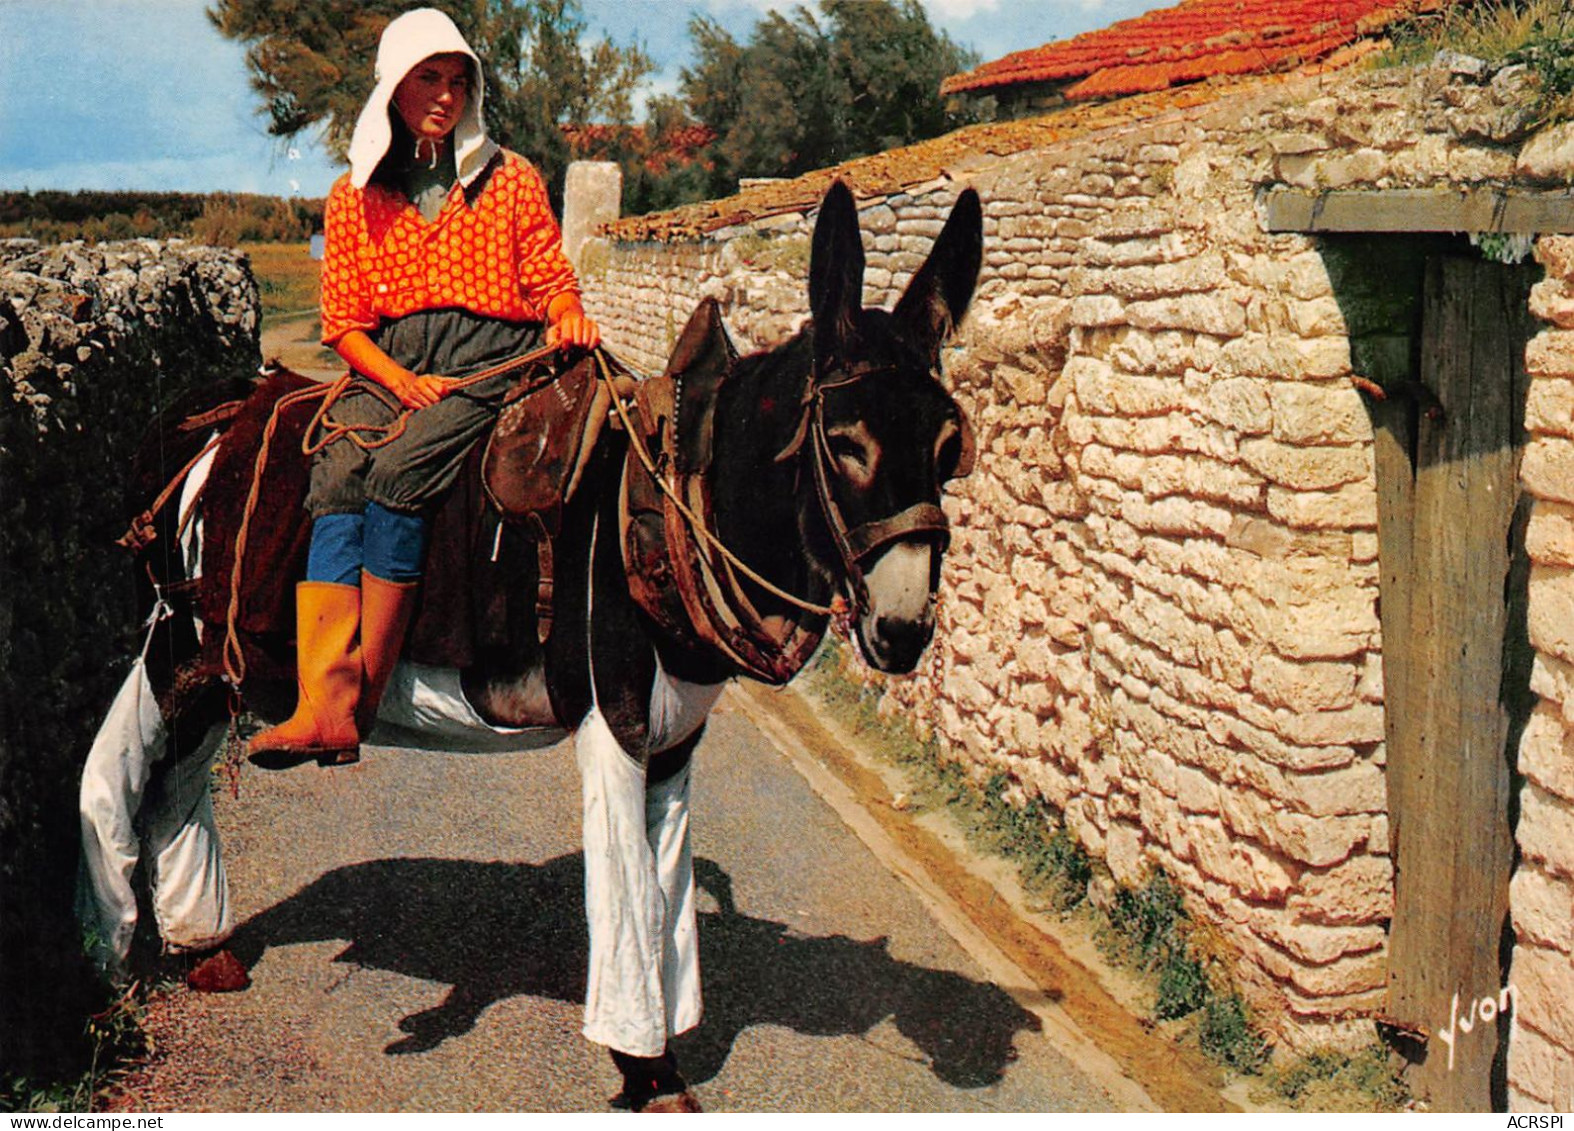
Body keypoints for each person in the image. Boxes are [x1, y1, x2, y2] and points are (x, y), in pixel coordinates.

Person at [248, 7, 599, 766]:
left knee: (401, 470)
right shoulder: (355, 195)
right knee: (338, 465)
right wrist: (400, 379)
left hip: (488, 358)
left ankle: (366, 696)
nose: (446, 93)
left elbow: (548, 275)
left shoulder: (509, 179)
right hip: (391, 357)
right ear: (394, 90)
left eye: (457, 78)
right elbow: (343, 323)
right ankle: (322, 702)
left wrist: (567, 311)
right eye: (427, 78)